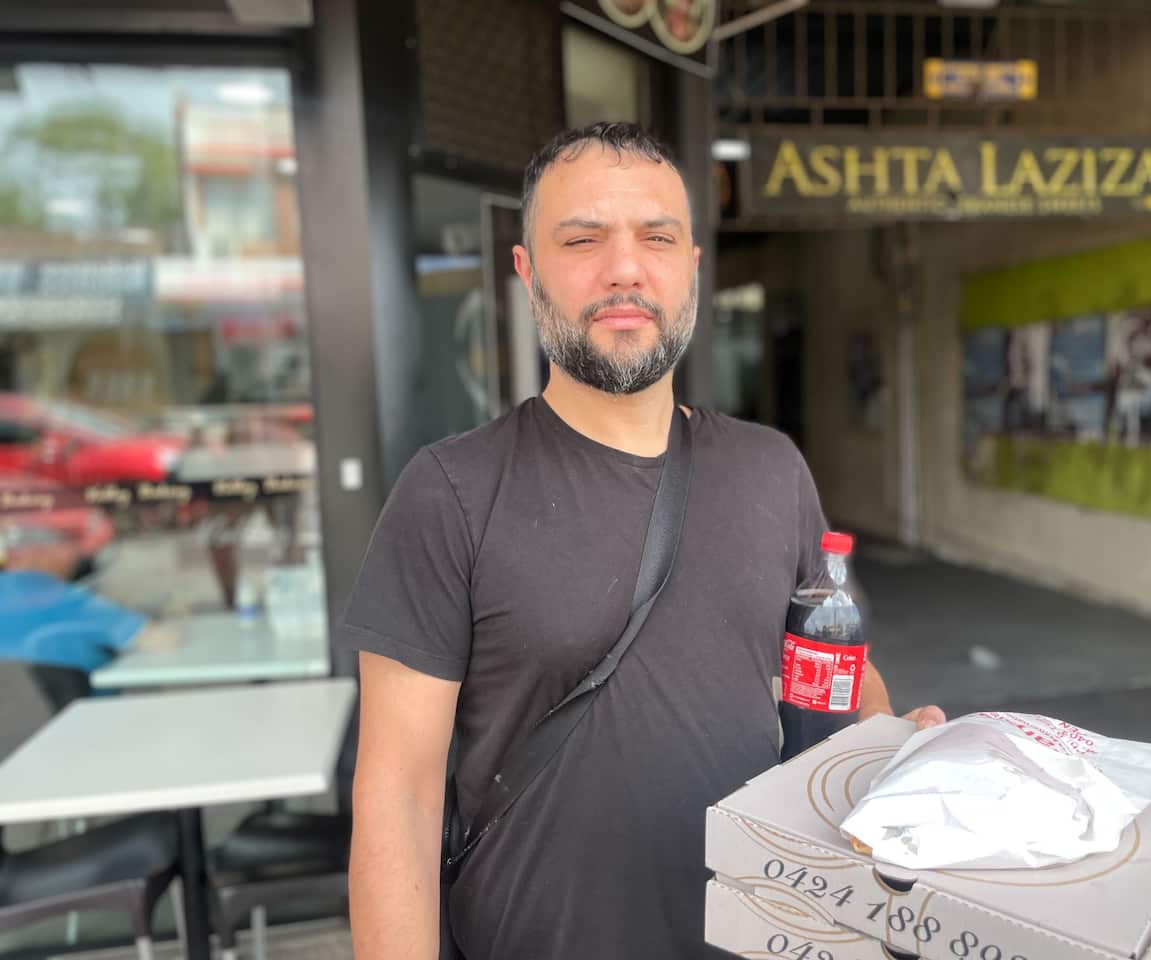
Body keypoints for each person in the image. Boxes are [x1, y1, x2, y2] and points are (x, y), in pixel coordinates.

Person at [340, 122, 944, 960]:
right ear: (526, 271)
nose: (624, 268)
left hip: (768, 937)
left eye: (656, 238)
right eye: (582, 239)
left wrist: (888, 746)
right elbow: (397, 799)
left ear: (692, 266)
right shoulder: (451, 492)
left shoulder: (771, 469)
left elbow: (834, 668)